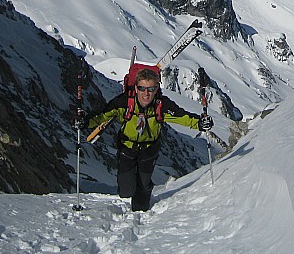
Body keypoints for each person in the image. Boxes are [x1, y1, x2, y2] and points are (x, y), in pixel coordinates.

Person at [86, 65, 213, 212]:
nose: (146, 93)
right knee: (126, 191)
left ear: (157, 89)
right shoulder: (124, 102)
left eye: (151, 89)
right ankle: (138, 190)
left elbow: (182, 117)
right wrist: (85, 122)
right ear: (136, 88)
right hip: (127, 147)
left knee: (142, 190)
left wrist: (200, 123)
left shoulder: (162, 105)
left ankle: (141, 205)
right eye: (142, 88)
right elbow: (102, 115)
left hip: (149, 149)